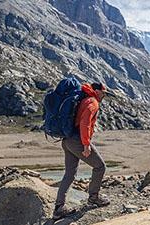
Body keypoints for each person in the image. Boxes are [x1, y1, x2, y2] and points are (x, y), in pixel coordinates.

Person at [53, 82, 111, 219]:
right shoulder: (93, 102)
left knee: (70, 173)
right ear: (97, 91)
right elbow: (85, 123)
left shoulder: (82, 99)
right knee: (100, 166)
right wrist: (86, 144)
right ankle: (94, 198)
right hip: (77, 141)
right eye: (103, 92)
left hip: (67, 140)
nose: (104, 95)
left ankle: (58, 208)